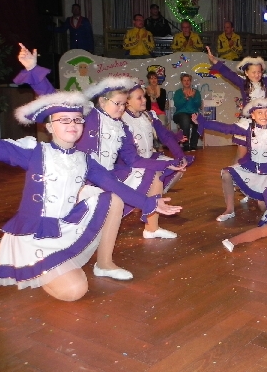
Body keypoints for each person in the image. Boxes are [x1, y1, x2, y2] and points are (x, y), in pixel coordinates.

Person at [0, 91, 181, 300]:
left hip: (64, 227)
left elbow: (114, 185)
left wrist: (149, 203)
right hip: (34, 235)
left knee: (113, 199)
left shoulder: (84, 160)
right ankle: (37, 266)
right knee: (74, 291)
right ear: (49, 127)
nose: (72, 124)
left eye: (77, 119)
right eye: (64, 120)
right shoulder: (34, 152)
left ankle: (104, 264)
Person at [14, 45, 185, 240]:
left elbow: (133, 160)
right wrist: (33, 68)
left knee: (154, 177)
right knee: (97, 212)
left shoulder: (122, 127)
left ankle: (151, 228)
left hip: (106, 175)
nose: (121, 108)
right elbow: (53, 98)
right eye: (117, 103)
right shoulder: (89, 115)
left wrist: (166, 164)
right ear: (103, 102)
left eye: (124, 104)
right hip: (83, 178)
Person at [194, 98, 267, 222]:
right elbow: (226, 128)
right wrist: (204, 123)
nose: (264, 116)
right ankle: (230, 210)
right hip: (249, 166)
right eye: (260, 113)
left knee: (263, 207)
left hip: (265, 174)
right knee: (227, 174)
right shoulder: (248, 128)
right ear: (253, 115)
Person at [207, 46, 267, 163]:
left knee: (260, 153)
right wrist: (214, 61)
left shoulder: (266, 82)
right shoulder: (242, 83)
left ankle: (257, 172)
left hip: (262, 123)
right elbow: (228, 73)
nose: (257, 75)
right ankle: (234, 172)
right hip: (247, 122)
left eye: (259, 72)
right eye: (253, 72)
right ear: (246, 73)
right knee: (241, 154)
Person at [122, 83, 192, 194]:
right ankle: (144, 194)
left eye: (144, 96)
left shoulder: (148, 116)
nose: (145, 100)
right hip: (132, 163)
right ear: (127, 101)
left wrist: (180, 155)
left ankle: (154, 192)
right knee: (154, 175)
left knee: (179, 167)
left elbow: (165, 135)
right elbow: (130, 158)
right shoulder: (122, 120)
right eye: (139, 98)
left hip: (149, 157)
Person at [172, 73, 202, 152]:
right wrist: (186, 97)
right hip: (180, 114)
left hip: (193, 113)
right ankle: (185, 144)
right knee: (185, 119)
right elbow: (177, 105)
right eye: (184, 80)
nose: (186, 82)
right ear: (182, 82)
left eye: (188, 80)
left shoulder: (196, 92)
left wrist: (193, 97)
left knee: (199, 120)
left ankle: (193, 145)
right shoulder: (178, 92)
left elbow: (198, 105)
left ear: (190, 81)